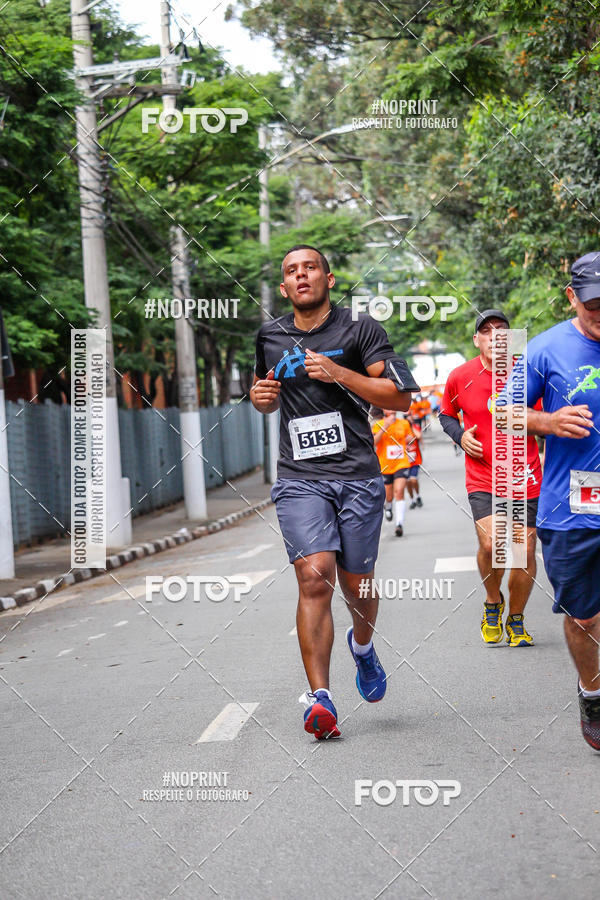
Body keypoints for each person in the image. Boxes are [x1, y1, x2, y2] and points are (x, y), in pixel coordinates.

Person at [250, 245, 419, 740]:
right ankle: (320, 698)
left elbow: (400, 397)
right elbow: (265, 394)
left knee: (357, 585)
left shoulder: (360, 329)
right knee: (314, 576)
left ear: (328, 278)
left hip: (358, 475)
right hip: (300, 477)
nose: (301, 275)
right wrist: (261, 399)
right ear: (284, 287)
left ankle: (362, 646)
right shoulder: (270, 336)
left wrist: (340, 372)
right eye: (291, 271)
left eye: (310, 268)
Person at [504, 253, 600, 750]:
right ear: (571, 298)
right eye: (593, 305)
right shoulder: (544, 350)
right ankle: (592, 693)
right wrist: (548, 421)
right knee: (584, 617)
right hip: (573, 506)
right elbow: (504, 414)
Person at [439, 309, 543, 646]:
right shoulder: (460, 376)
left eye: (501, 330)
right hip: (483, 475)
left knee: (524, 551)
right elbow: (446, 414)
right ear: (476, 340)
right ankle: (492, 600)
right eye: (486, 331)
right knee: (492, 543)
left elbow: (546, 417)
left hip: (525, 474)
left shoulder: (529, 373)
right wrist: (460, 436)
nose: (494, 335)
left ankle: (516, 619)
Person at [372, 409, 413, 536]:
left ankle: (399, 524)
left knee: (399, 491)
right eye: (388, 408)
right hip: (385, 465)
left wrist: (409, 440)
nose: (391, 410)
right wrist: (385, 426)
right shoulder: (378, 424)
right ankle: (388, 506)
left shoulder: (404, 423)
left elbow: (410, 438)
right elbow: (374, 442)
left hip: (401, 463)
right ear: (384, 410)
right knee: (388, 496)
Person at [404, 412, 423, 509]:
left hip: (415, 459)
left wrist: (411, 427)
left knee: (413, 480)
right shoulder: (401, 429)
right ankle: (412, 500)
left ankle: (418, 496)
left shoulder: (415, 427)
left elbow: (419, 436)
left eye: (410, 416)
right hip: (404, 461)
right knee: (408, 482)